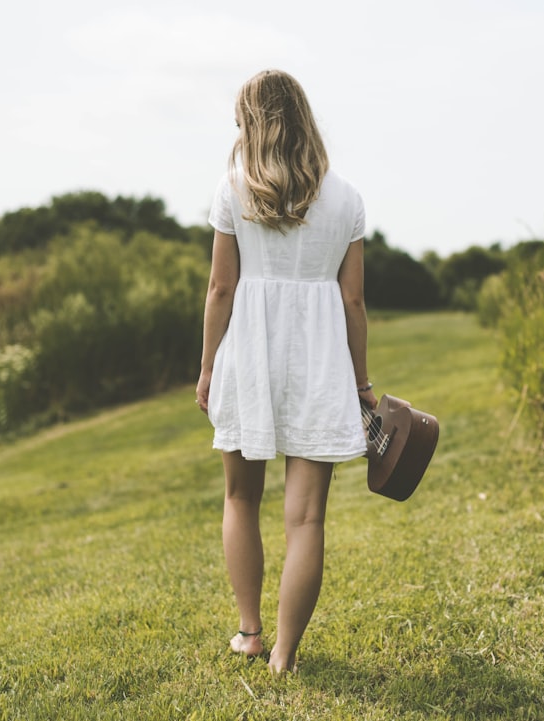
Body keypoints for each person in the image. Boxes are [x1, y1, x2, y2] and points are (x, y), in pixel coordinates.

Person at [196, 69, 378, 674]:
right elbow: (353, 303)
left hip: (248, 358)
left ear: (252, 123)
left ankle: (250, 633)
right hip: (320, 364)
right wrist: (361, 386)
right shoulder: (347, 198)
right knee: (307, 516)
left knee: (240, 496)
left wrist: (205, 371)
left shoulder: (233, 191)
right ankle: (284, 654)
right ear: (303, 118)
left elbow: (221, 289)